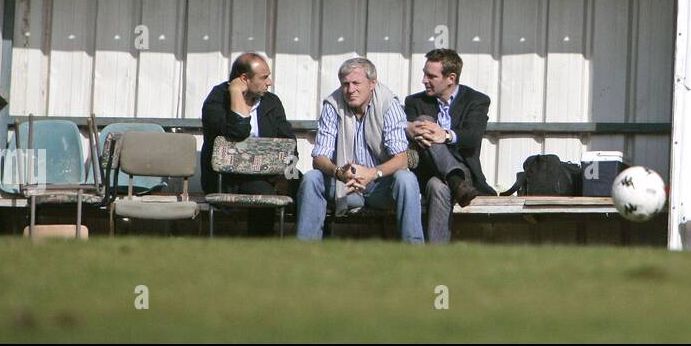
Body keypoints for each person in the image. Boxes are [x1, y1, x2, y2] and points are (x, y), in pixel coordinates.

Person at [296, 58, 423, 242]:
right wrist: (339, 172)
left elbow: (402, 160)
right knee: (311, 179)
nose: (350, 89)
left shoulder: (389, 104)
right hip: (345, 185)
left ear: (372, 83)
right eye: (345, 84)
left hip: (380, 186)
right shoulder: (333, 104)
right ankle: (304, 252)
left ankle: (414, 251)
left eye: (356, 83)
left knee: (407, 179)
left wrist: (372, 173)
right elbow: (319, 158)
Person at [404, 48, 496, 244]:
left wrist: (445, 135)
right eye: (424, 74)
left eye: (431, 76)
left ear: (450, 78)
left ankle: (435, 260)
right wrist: (409, 127)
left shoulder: (477, 100)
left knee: (438, 185)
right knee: (424, 121)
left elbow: (472, 137)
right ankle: (454, 180)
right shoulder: (414, 101)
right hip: (429, 172)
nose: (424, 80)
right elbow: (404, 134)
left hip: (466, 173)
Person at [200, 52, 296, 234]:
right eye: (264, 77)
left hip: (269, 173)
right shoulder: (217, 100)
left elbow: (289, 141)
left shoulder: (271, 102)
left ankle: (310, 243)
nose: (270, 82)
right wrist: (236, 93)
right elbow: (238, 131)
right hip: (227, 178)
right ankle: (258, 248)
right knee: (263, 190)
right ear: (244, 78)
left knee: (302, 183)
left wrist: (286, 174)